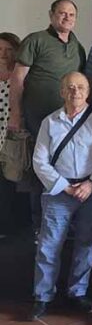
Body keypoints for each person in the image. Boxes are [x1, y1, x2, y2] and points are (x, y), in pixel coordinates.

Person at [28, 72, 92, 321]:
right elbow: (39, 161)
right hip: (58, 191)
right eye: (70, 87)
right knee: (48, 245)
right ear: (62, 92)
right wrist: (65, 186)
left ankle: (77, 292)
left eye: (81, 87)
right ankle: (42, 296)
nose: (76, 92)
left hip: (91, 191)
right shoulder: (50, 122)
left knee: (87, 242)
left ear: (88, 91)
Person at [9, 0, 86, 235]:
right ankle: (39, 227)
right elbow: (17, 80)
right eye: (62, 13)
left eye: (71, 14)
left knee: (64, 168)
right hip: (37, 119)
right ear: (51, 15)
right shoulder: (35, 40)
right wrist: (15, 114)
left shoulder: (78, 48)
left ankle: (65, 226)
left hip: (67, 123)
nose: (67, 18)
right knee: (39, 172)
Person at [0, 32, 22, 239]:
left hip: (11, 138)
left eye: (8, 50)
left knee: (9, 184)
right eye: (0, 49)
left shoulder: (20, 76)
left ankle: (9, 230)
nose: (3, 54)